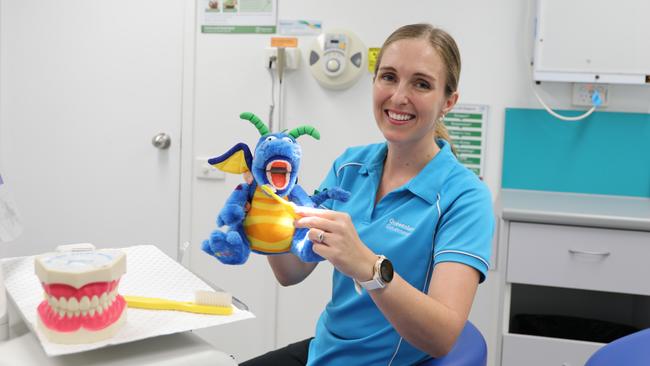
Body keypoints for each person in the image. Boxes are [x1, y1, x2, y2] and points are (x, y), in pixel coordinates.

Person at [242, 23, 494, 366]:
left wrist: (368, 267)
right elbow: (292, 272)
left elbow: (442, 336)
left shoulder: (465, 197)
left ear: (448, 101)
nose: (399, 96)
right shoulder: (350, 166)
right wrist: (266, 206)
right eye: (388, 77)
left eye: (421, 83)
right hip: (325, 353)